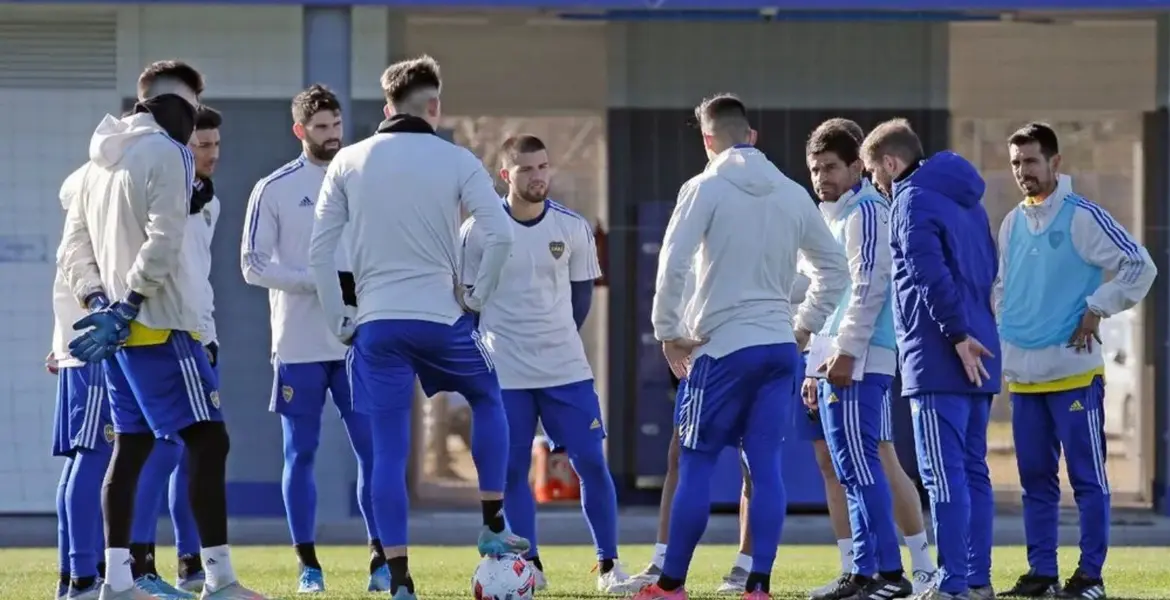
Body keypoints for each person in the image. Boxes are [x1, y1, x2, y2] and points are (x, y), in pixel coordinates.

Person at [308, 55, 526, 600]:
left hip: (376, 326)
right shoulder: (457, 160)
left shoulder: (348, 160)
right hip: (443, 320)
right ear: (435, 106)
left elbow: (319, 252)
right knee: (488, 394)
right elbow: (500, 235)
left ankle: (399, 578)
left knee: (386, 453)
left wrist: (339, 318)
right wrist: (476, 295)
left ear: (387, 108)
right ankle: (493, 523)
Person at [57, 59, 266, 600]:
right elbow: (164, 240)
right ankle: (216, 578)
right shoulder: (169, 153)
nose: (195, 124)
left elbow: (73, 251)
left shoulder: (95, 165)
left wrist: (101, 304)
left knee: (131, 448)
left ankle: (116, 582)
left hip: (120, 336)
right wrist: (128, 304)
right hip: (163, 324)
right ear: (178, 104)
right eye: (193, 110)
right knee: (208, 440)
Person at [633, 93, 850, 600]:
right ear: (752, 136)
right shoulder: (792, 192)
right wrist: (803, 326)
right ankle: (758, 584)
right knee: (766, 467)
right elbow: (835, 270)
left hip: (722, 347)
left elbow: (673, 264)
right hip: (778, 349)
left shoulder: (703, 187)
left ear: (708, 140)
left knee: (696, 461)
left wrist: (667, 332)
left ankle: (671, 583)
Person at [461, 134, 640, 595]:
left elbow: (581, 300)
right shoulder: (478, 231)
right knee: (512, 472)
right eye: (526, 169)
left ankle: (609, 565)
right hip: (506, 375)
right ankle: (530, 565)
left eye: (543, 166)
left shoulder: (573, 227)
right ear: (506, 175)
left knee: (591, 464)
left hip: (567, 372)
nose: (538, 176)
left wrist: (552, 339)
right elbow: (468, 306)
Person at [995, 123, 1156, 600]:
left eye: (1030, 161)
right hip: (1025, 378)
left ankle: (1090, 578)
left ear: (1055, 162)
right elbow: (1002, 288)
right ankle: (1042, 574)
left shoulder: (1083, 216)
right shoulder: (1011, 223)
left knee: (1087, 478)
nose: (1022, 171)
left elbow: (1139, 264)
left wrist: (1097, 306)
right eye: (1015, 163)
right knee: (1035, 482)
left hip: (1073, 373)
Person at [240, 84, 387, 594]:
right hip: (299, 345)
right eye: (322, 127)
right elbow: (252, 265)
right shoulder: (274, 187)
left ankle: (381, 559)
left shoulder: (364, 180)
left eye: (337, 125)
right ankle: (308, 565)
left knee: (373, 452)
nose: (332, 135)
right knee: (300, 452)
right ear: (300, 130)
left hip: (356, 344)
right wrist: (319, 282)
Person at [800, 118, 938, 599]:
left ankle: (890, 574)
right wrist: (815, 361)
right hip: (836, 357)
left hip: (862, 356)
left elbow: (869, 288)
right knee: (849, 469)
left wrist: (846, 351)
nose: (821, 178)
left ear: (857, 167)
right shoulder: (833, 215)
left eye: (830, 167)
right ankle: (864, 570)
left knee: (865, 464)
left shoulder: (868, 211)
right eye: (815, 169)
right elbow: (827, 297)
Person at [862, 118, 999, 600]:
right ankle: (977, 578)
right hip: (982, 349)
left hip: (941, 355)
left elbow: (926, 273)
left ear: (890, 163)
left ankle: (953, 582)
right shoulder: (969, 201)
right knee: (974, 470)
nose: (875, 184)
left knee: (944, 475)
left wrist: (957, 335)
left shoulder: (910, 199)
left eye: (873, 173)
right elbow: (988, 267)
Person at [127, 104, 223, 599]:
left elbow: (197, 274)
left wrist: (208, 332)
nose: (212, 154)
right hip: (164, 333)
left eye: (216, 145)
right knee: (163, 447)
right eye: (202, 145)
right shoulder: (161, 193)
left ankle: (191, 563)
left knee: (193, 453)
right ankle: (137, 564)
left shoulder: (209, 201)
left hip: (199, 335)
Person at [51, 166, 111, 600]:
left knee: (81, 460)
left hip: (78, 352)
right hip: (92, 351)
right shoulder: (87, 233)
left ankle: (73, 574)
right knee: (94, 457)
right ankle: (83, 577)